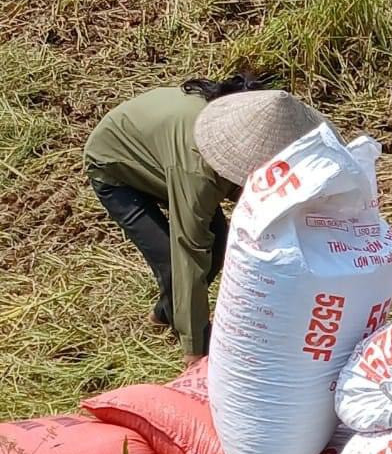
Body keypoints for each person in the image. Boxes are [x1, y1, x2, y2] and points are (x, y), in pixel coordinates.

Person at [84, 78, 327, 364]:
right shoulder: (199, 171)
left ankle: (163, 314)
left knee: (220, 247)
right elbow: (188, 251)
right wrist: (196, 350)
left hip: (161, 147)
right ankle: (188, 332)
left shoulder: (240, 123)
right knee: (175, 263)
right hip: (116, 168)